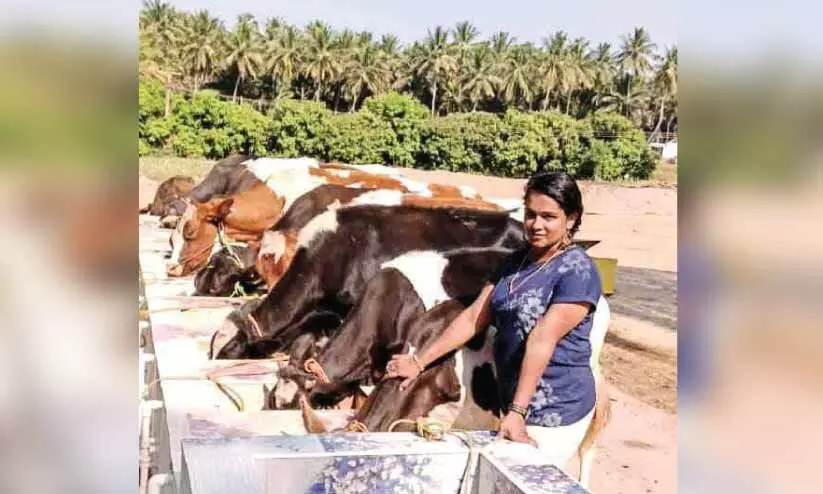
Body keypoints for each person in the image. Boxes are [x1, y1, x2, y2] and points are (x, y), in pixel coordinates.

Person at [385, 171, 602, 465]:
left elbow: (542, 338)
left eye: (548, 216)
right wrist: (418, 362)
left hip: (557, 407)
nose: (536, 225)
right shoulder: (515, 262)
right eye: (530, 214)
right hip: (514, 401)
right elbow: (474, 316)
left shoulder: (577, 270)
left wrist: (518, 412)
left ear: (572, 219)